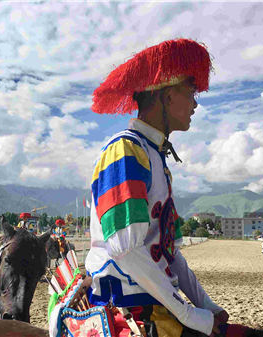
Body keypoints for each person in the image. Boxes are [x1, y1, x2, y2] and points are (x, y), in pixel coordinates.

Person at [84, 39, 229, 337]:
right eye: (190, 93)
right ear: (166, 95)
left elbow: (169, 251)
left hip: (156, 295)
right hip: (126, 299)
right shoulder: (125, 151)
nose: (195, 104)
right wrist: (191, 314)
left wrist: (207, 305)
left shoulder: (155, 157)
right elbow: (126, 249)